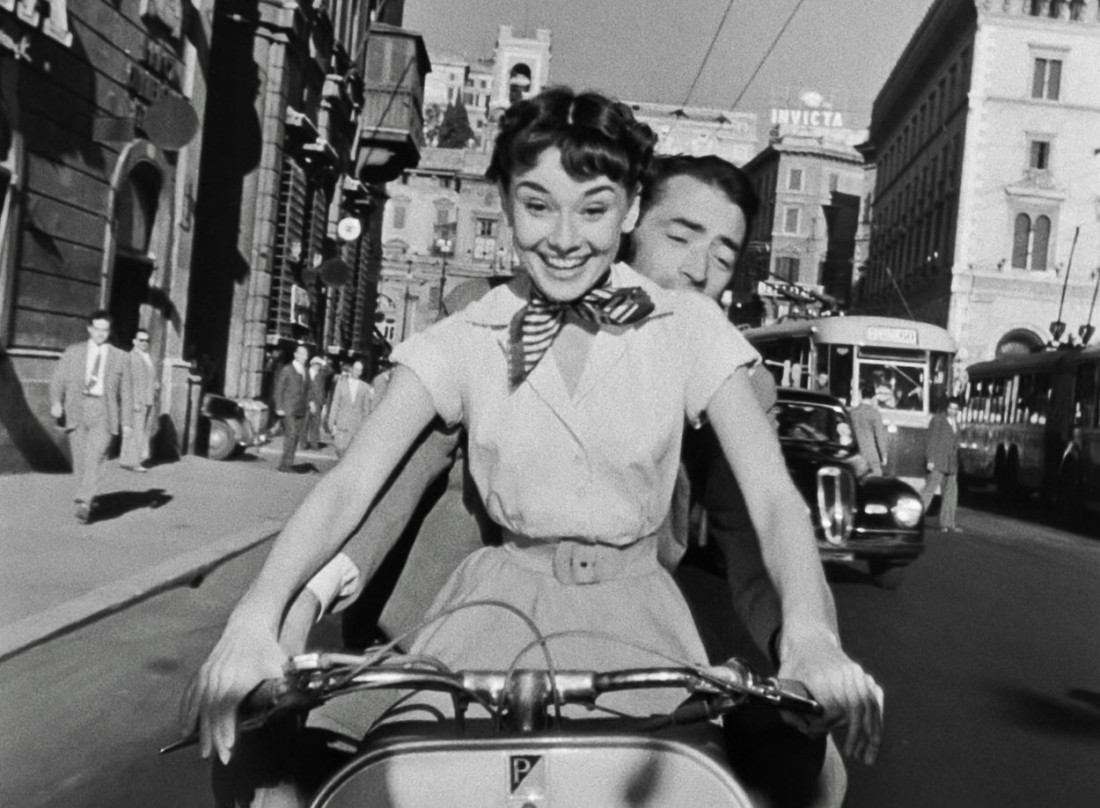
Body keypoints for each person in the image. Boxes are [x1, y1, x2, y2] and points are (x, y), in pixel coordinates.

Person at [183, 88, 881, 807]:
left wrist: (810, 636)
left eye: (594, 209)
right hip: (488, 613)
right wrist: (258, 616)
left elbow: (772, 501)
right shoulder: (470, 332)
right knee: (399, 784)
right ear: (506, 203)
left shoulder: (689, 330)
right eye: (537, 204)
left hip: (638, 622)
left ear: (630, 211)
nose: (564, 238)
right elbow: (350, 484)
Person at [49, 309, 133, 523]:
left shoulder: (121, 357)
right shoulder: (73, 352)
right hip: (76, 409)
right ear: (89, 328)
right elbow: (58, 379)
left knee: (96, 456)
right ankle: (85, 498)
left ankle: (85, 501)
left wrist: (127, 422)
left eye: (104, 330)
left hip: (104, 411)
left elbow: (126, 392)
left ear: (109, 331)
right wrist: (56, 402)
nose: (100, 334)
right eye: (96, 329)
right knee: (80, 459)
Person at [119, 328, 157, 472]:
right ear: (134, 341)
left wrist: (155, 384)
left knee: (139, 430)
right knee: (136, 431)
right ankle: (133, 462)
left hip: (147, 399)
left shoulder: (145, 356)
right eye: (141, 340)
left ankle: (127, 459)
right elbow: (130, 382)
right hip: (138, 400)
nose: (144, 343)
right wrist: (134, 401)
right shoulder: (133, 357)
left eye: (147, 340)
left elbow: (147, 377)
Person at [922, 396, 962, 531]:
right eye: (951, 408)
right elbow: (931, 440)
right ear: (946, 407)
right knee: (928, 492)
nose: (952, 411)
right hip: (938, 461)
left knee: (951, 495)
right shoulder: (938, 420)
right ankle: (914, 519)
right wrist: (930, 459)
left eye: (955, 409)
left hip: (951, 464)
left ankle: (947, 523)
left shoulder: (956, 423)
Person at [273, 344, 310, 472]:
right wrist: (279, 406)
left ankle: (288, 463)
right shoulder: (287, 369)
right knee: (291, 434)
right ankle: (285, 465)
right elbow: (279, 388)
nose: (305, 357)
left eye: (306, 354)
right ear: (295, 355)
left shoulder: (305, 371)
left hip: (301, 409)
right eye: (302, 354)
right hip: (288, 408)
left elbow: (307, 390)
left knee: (295, 436)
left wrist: (309, 403)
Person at [326, 358, 372, 457]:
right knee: (339, 451)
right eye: (355, 369)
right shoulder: (341, 384)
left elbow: (366, 409)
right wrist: (331, 421)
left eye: (359, 370)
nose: (357, 372)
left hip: (356, 426)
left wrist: (365, 426)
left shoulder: (365, 387)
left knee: (350, 455)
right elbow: (335, 403)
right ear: (351, 369)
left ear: (361, 372)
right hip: (342, 425)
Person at [850, 381, 889, 476]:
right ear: (873, 397)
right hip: (871, 453)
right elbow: (880, 436)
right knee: (877, 479)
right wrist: (884, 455)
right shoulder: (875, 413)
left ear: (861, 395)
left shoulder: (852, 412)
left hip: (856, 453)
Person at [304, 356, 328, 450]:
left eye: (320, 365)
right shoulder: (305, 373)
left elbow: (330, 371)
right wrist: (309, 401)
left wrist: (324, 362)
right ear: (313, 364)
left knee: (315, 424)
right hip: (306, 402)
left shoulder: (321, 375)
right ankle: (303, 444)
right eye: (317, 364)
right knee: (304, 424)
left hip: (318, 403)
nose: (319, 366)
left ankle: (314, 444)